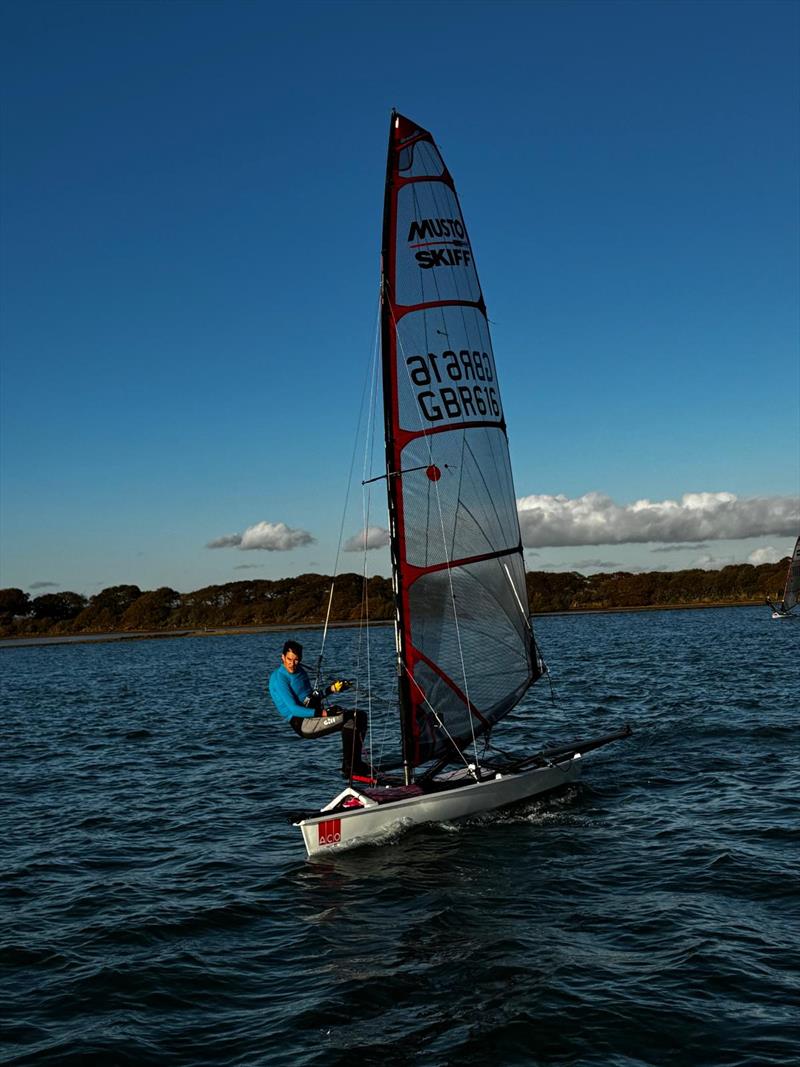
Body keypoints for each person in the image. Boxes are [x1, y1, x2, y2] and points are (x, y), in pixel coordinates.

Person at [268, 639, 371, 779]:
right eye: (289, 659)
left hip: (313, 715)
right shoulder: (279, 678)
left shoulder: (300, 672)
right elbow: (294, 709)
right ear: (283, 657)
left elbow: (312, 698)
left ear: (301, 659)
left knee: (359, 716)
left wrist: (332, 689)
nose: (292, 664)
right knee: (353, 717)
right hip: (302, 723)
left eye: (296, 660)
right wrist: (324, 713)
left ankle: (353, 765)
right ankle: (351, 767)